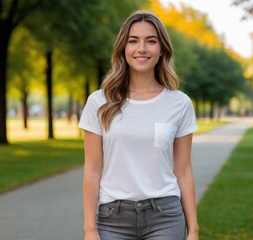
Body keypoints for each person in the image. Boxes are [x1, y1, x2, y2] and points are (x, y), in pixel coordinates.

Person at [79, 11, 199, 240]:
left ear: (162, 48)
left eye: (150, 41)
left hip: (165, 217)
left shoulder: (179, 103)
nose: (141, 48)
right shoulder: (99, 101)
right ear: (123, 48)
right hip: (112, 219)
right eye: (133, 41)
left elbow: (183, 170)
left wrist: (193, 230)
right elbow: (92, 168)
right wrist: (89, 229)